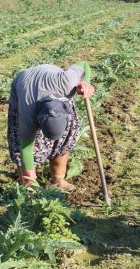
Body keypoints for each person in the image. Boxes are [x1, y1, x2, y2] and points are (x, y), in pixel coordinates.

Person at [7, 62, 95, 190]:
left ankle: (58, 180)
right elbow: (25, 147)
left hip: (54, 82)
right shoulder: (28, 112)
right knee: (28, 148)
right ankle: (29, 186)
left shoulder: (68, 82)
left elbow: (85, 65)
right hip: (25, 83)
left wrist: (85, 82)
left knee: (63, 142)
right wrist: (29, 177)